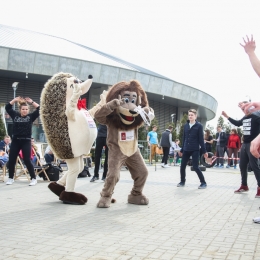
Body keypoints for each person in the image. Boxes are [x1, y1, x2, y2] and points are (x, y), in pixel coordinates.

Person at [222, 104, 260, 196]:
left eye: (245, 108)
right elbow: (237, 123)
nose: (243, 110)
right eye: (242, 109)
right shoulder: (245, 117)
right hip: (245, 144)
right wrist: (227, 116)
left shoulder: (256, 117)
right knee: (242, 166)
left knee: (254, 166)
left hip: (253, 144)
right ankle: (244, 185)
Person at [5, 96, 40, 186]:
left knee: (27, 160)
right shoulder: (15, 115)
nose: (25, 110)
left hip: (26, 141)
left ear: (28, 110)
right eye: (23, 109)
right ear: (20, 109)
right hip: (16, 141)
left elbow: (40, 109)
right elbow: (7, 107)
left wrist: (31, 101)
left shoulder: (31, 117)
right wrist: (15, 100)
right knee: (12, 159)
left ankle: (33, 178)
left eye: (26, 109)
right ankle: (10, 178)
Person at [177, 109, 208, 189]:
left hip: (195, 149)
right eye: (189, 115)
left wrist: (204, 151)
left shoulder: (199, 126)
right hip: (186, 149)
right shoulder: (186, 125)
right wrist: (182, 149)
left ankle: (203, 183)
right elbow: (184, 138)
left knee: (195, 166)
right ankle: (182, 181)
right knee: (182, 166)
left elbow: (201, 139)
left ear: (195, 116)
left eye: (192, 115)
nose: (190, 116)